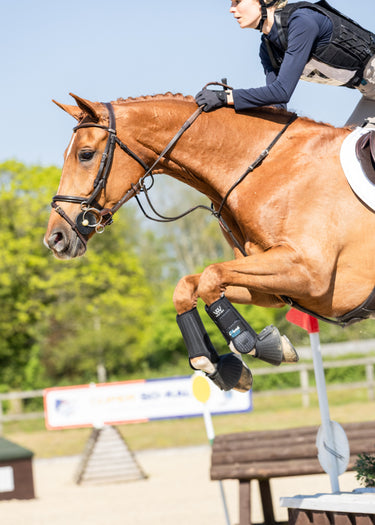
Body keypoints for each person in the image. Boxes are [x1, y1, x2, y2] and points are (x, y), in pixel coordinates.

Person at [195, 0, 375, 126]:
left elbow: (282, 91)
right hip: (370, 94)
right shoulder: (268, 48)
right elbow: (278, 108)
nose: (231, 9)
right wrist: (230, 107)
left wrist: (225, 98)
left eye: (238, 1)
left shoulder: (302, 21)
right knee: (348, 152)